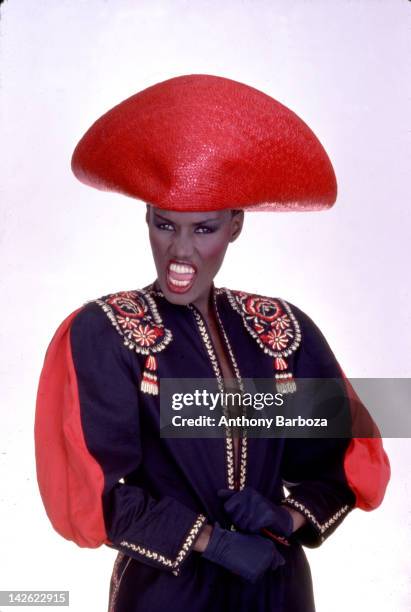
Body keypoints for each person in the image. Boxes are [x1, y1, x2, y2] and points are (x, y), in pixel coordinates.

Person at [35, 74, 390, 612]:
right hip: (167, 589)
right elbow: (96, 495)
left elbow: (344, 457)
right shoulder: (106, 331)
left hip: (274, 584)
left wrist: (285, 518)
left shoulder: (280, 327)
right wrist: (211, 540)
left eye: (204, 229)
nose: (181, 251)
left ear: (236, 226)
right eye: (164, 224)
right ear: (147, 220)